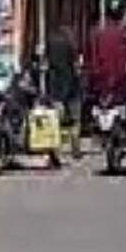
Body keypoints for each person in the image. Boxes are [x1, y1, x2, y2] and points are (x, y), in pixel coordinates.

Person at [87, 0, 126, 112]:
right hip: (117, 75)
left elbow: (92, 55)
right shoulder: (122, 33)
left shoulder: (96, 33)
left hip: (101, 74)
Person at [45, 24, 82, 157]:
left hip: (55, 85)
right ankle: (75, 147)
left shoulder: (50, 43)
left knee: (56, 119)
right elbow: (76, 65)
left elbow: (47, 63)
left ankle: (55, 149)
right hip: (71, 84)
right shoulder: (71, 44)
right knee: (75, 118)